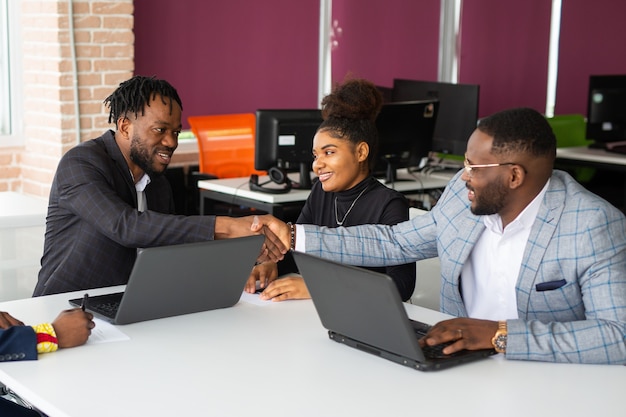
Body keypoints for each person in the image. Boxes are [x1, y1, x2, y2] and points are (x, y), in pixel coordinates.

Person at [253, 107, 626, 364]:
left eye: (474, 167)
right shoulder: (464, 201)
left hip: (545, 377)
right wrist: (293, 234)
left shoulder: (591, 225)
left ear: (514, 176)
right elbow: (395, 241)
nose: (463, 176)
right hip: (453, 365)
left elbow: (618, 336)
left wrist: (499, 335)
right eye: (465, 163)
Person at [33, 75, 285, 296]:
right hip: (65, 306)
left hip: (130, 303)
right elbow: (125, 226)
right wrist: (229, 226)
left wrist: (247, 257)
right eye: (160, 129)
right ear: (125, 126)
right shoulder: (81, 163)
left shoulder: (158, 183)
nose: (171, 141)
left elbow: (173, 247)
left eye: (175, 132)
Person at [245, 78, 415, 301]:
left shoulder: (389, 204)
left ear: (361, 152)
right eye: (316, 155)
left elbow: (401, 286)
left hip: (366, 315)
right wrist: (271, 264)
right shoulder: (321, 192)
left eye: (329, 152)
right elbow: (297, 250)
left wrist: (318, 287)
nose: (317, 164)